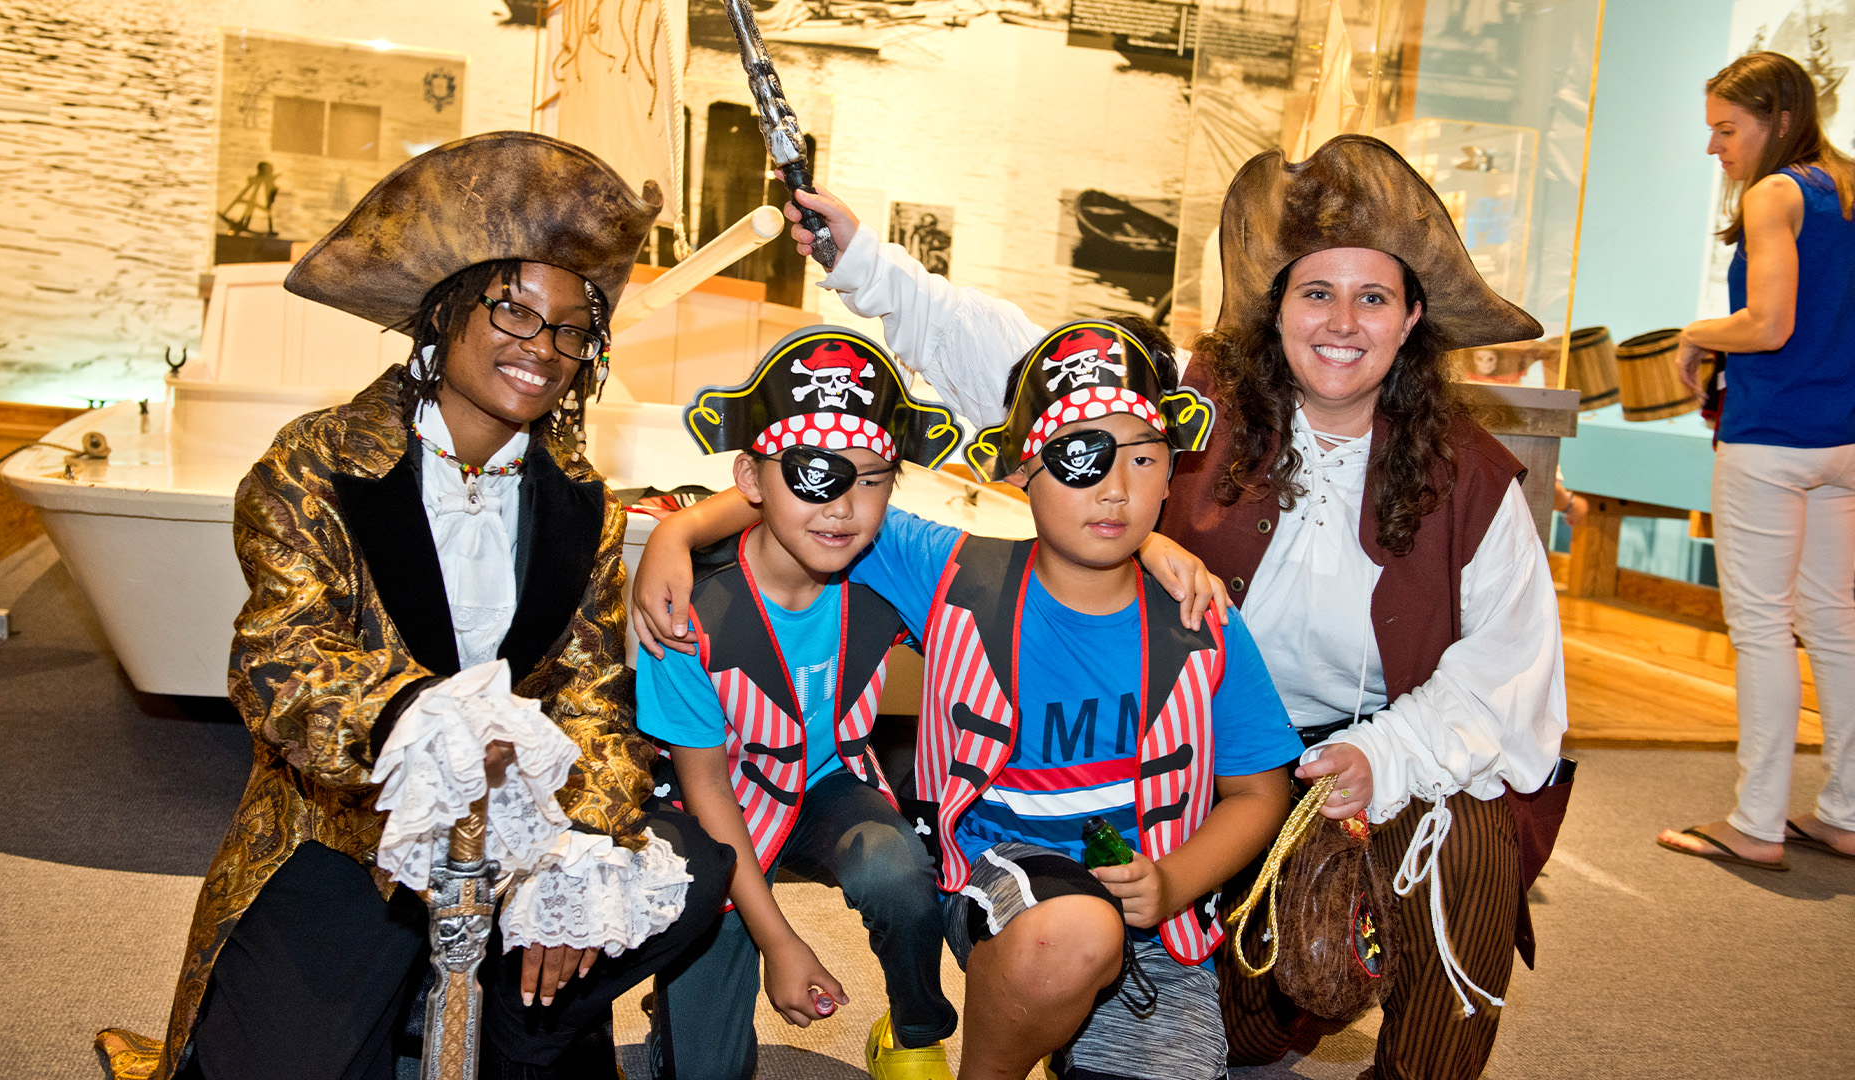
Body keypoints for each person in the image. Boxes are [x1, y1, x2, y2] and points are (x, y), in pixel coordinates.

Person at [765, 134, 1569, 1080]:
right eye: (1317, 292)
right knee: (1217, 1032)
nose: (1342, 321)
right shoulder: (1192, 407)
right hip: (1195, 798)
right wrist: (863, 261)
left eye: (1373, 296)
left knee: (1468, 833)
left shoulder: (1471, 478)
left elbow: (1508, 679)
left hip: (1365, 777)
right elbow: (1027, 371)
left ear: (1411, 317)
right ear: (1279, 312)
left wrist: (1376, 754)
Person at [94, 132, 734, 1080]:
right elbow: (278, 659)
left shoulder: (581, 500)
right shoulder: (315, 463)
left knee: (690, 870)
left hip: (522, 840)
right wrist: (410, 715)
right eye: (514, 313)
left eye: (569, 328)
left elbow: (593, 697)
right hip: (348, 833)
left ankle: (527, 1023)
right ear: (445, 315)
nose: (543, 349)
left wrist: (580, 856)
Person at [638, 319, 1302, 1080]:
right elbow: (803, 495)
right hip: (1004, 879)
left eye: (1144, 459)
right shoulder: (950, 573)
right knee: (1071, 936)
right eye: (1079, 457)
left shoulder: (1201, 621)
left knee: (1114, 991)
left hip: (1156, 916)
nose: (1115, 489)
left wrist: (1175, 882)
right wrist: (679, 532)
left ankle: (1064, 1016)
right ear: (1022, 471)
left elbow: (1259, 791)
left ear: (1171, 470)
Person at [635, 326, 964, 1080]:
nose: (844, 508)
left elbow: (1033, 571)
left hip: (825, 788)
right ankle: (674, 1015)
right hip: (717, 809)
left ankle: (915, 1027)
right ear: (751, 479)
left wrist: (1153, 544)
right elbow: (707, 788)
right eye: (816, 475)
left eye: (872, 479)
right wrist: (781, 940)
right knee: (708, 1068)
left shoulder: (885, 573)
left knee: (896, 869)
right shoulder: (689, 614)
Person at [1658, 51, 1855, 870]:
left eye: (1726, 129)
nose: (1716, 148)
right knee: (1836, 623)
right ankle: (1845, 813)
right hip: (1844, 442)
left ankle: (1757, 822)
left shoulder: (1778, 193)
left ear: (1778, 119)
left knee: (1764, 628)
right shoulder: (1845, 189)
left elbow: (1769, 323)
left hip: (1773, 440)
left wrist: (1699, 331)